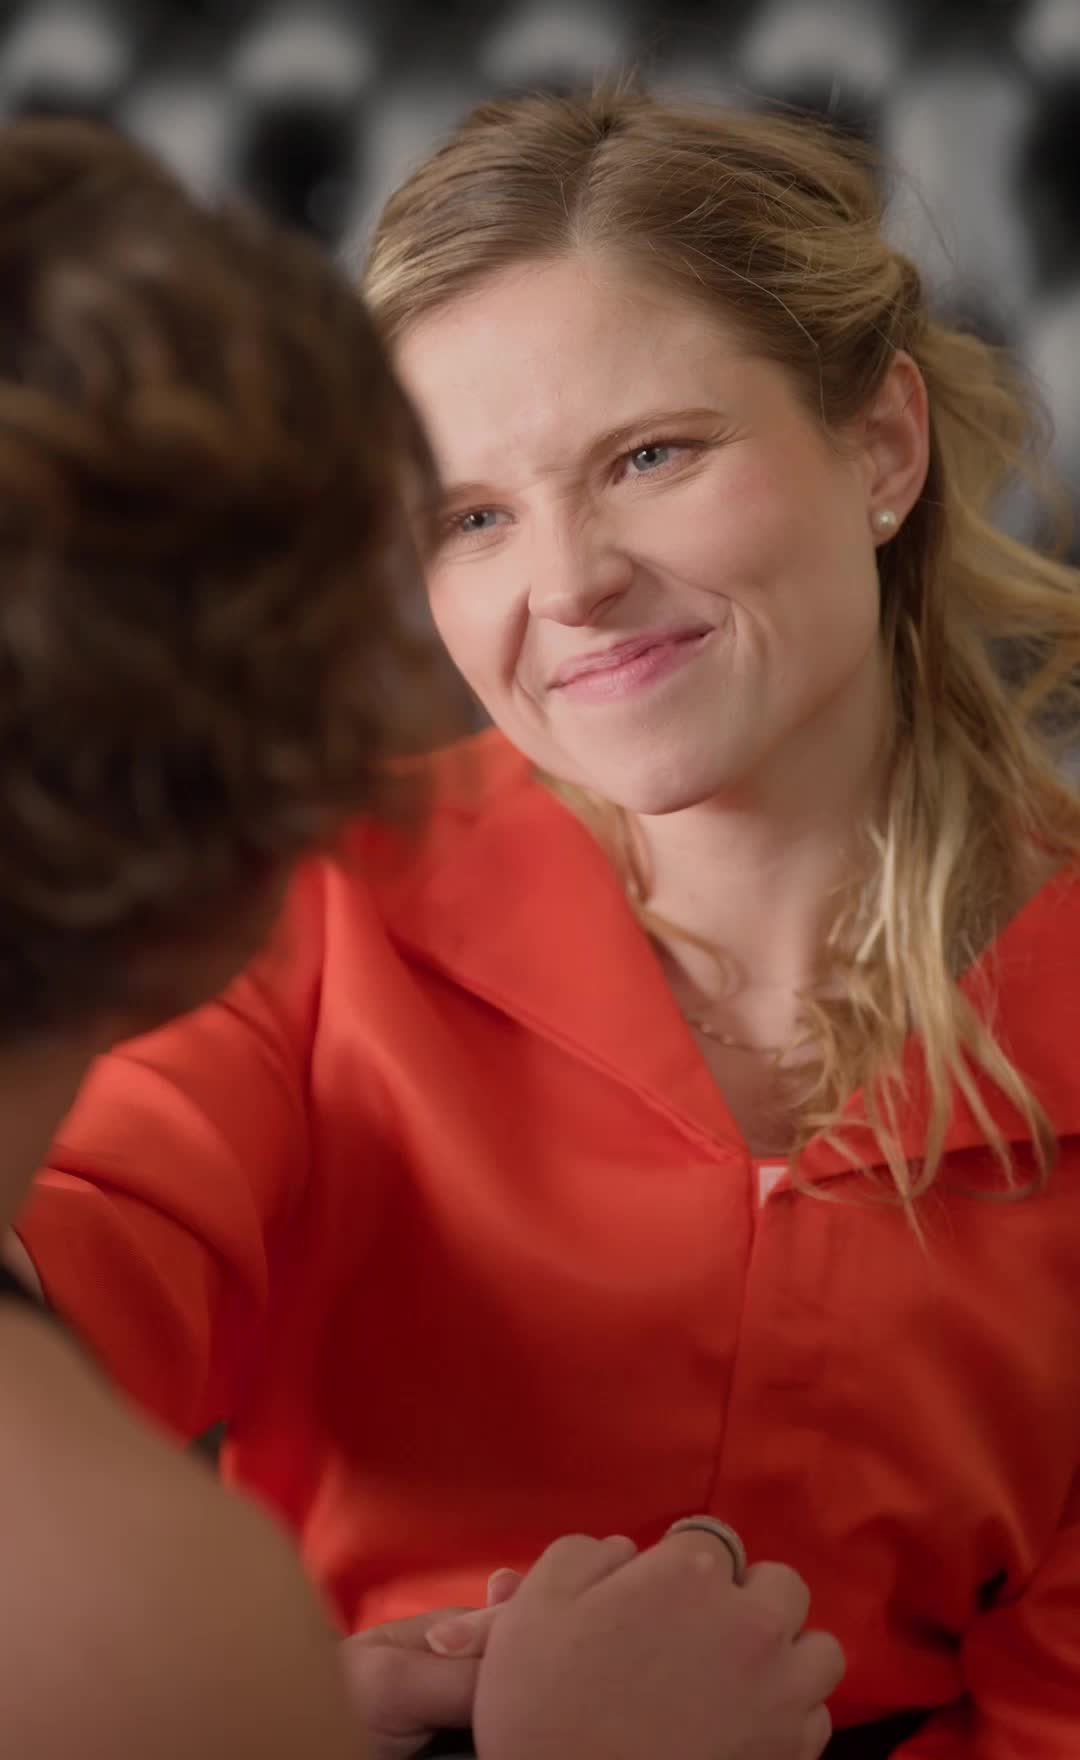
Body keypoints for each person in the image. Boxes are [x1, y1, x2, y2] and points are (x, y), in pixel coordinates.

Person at [11, 86, 1080, 1755]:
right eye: (473, 518)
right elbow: (70, 1283)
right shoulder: (299, 896)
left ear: (881, 445)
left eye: (651, 456)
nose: (570, 582)